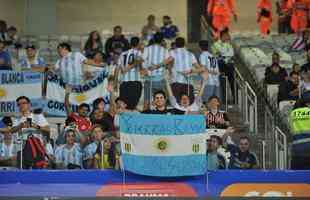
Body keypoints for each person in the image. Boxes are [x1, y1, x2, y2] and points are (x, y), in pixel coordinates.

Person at [169, 37, 203, 103]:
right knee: (188, 104)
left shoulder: (172, 52)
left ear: (175, 44)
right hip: (188, 83)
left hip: (176, 82)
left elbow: (168, 65)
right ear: (184, 44)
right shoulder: (190, 54)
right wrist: (191, 71)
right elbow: (199, 68)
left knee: (176, 104)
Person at [142, 32, 171, 109]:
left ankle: (144, 119)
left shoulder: (147, 49)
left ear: (153, 39)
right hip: (159, 79)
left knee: (146, 102)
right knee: (161, 102)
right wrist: (159, 65)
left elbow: (142, 61)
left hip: (148, 79)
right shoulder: (165, 50)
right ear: (162, 41)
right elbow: (168, 64)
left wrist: (146, 70)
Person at [116, 37, 143, 110]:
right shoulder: (139, 53)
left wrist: (115, 83)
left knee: (123, 106)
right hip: (135, 82)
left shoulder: (123, 54)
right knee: (132, 106)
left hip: (124, 82)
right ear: (138, 44)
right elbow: (140, 65)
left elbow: (117, 69)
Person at [212, 30, 235, 102]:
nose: (228, 37)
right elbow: (221, 52)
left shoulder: (228, 44)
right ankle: (223, 100)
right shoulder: (216, 44)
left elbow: (231, 53)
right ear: (222, 36)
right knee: (222, 83)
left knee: (232, 83)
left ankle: (235, 99)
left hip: (229, 65)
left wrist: (225, 54)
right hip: (221, 66)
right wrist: (225, 53)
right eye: (227, 35)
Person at [289, 98, 310, 169]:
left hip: (297, 149)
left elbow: (291, 130)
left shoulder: (292, 114)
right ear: (306, 104)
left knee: (297, 174)